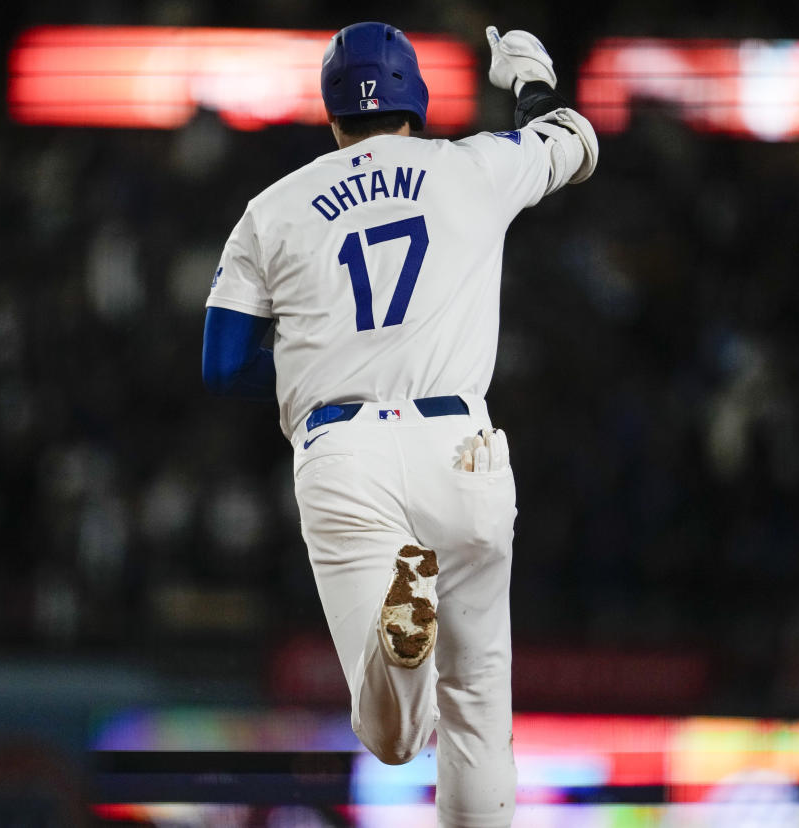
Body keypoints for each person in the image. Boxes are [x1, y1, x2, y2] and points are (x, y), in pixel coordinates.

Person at [202, 21, 597, 826]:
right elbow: (572, 141)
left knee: (391, 736)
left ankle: (402, 633)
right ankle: (410, 640)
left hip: (345, 453)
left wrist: (318, 367)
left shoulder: (272, 210)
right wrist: (531, 82)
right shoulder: (471, 167)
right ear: (416, 100)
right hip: (462, 451)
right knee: (480, 709)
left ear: (333, 113)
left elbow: (222, 361)